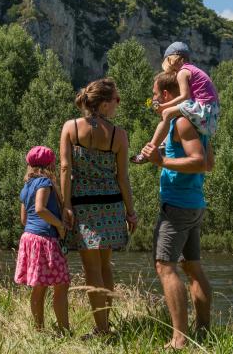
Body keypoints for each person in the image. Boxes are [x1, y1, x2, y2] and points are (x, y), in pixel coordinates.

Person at [141, 71, 214, 350]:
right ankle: (203, 333)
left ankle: (179, 340)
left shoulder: (182, 123)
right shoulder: (199, 124)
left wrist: (162, 162)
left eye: (155, 96)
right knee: (192, 267)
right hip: (193, 204)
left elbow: (198, 162)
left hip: (179, 206)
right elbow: (210, 164)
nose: (154, 101)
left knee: (165, 267)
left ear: (168, 96)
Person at [59, 78, 137, 336]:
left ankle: (102, 329)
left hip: (84, 206)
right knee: (105, 267)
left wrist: (65, 204)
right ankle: (105, 325)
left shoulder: (70, 128)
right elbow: (122, 177)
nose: (118, 104)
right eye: (116, 99)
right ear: (103, 105)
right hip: (112, 206)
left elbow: (65, 168)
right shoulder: (119, 135)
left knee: (92, 269)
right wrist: (130, 211)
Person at [132, 41, 219, 164]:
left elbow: (184, 97)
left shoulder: (183, 72)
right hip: (211, 114)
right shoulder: (193, 70)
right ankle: (163, 144)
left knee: (167, 114)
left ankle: (148, 151)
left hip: (203, 109)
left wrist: (163, 106)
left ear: (173, 59)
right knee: (174, 115)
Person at [14, 146, 70, 332]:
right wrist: (60, 225)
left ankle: (39, 330)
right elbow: (40, 209)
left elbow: (24, 219)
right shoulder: (44, 182)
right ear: (50, 164)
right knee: (61, 285)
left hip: (29, 238)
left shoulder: (26, 186)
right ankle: (64, 330)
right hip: (45, 240)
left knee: (39, 288)